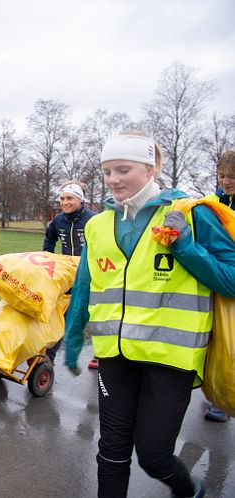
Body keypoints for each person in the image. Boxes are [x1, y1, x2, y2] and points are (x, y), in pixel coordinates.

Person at [63, 130, 235, 498]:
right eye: (107, 171)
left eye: (123, 169)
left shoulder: (192, 214)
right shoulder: (97, 225)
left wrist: (186, 247)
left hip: (169, 358)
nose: (113, 180)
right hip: (114, 356)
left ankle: (190, 491)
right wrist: (74, 337)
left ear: (152, 167)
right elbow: (84, 287)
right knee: (110, 454)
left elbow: (232, 280)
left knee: (154, 456)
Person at [42, 180, 97, 366]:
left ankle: (101, 354)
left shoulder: (92, 220)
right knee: (62, 314)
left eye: (70, 198)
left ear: (80, 200)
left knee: (95, 315)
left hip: (91, 275)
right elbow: (50, 238)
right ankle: (49, 356)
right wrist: (47, 259)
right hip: (67, 275)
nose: (65, 202)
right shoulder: (58, 220)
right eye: (62, 198)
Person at [201, 148, 235, 423]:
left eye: (233, 177)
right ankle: (216, 394)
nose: (226, 181)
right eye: (222, 176)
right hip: (213, 278)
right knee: (214, 340)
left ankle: (225, 397)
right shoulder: (211, 203)